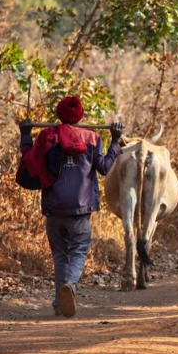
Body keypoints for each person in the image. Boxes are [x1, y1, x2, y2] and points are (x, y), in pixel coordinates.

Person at [18, 96, 123, 318]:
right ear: (81, 115)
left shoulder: (46, 136)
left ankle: (59, 303)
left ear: (59, 113)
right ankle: (70, 286)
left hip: (54, 209)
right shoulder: (93, 138)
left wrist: (25, 134)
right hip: (80, 211)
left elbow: (29, 158)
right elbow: (104, 167)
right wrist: (115, 141)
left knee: (59, 255)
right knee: (78, 251)